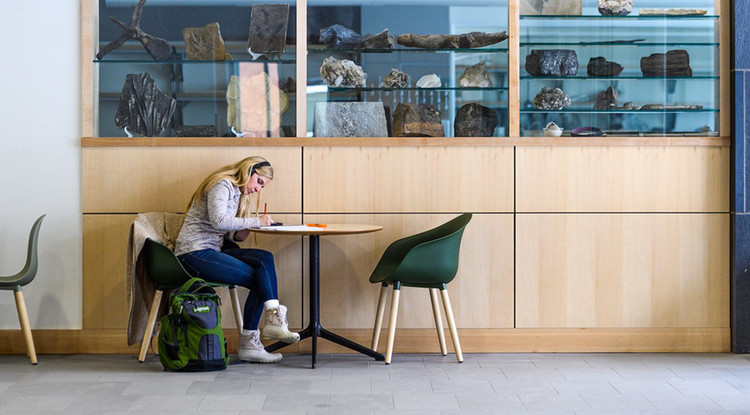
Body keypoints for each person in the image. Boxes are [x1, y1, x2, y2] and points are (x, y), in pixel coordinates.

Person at [174, 156, 299, 363]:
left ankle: (271, 319)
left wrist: (240, 234)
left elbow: (224, 229)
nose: (258, 189)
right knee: (262, 279)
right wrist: (256, 221)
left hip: (213, 249)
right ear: (249, 171)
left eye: (262, 187)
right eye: (259, 182)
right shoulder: (221, 184)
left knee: (264, 259)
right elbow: (219, 220)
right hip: (193, 252)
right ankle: (257, 335)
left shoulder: (237, 193)